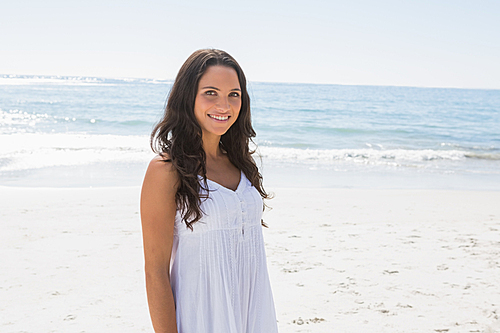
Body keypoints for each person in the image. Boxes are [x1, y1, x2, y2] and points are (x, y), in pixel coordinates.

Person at [140, 49, 279, 333]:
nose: (224, 105)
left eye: (234, 94)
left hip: (253, 314)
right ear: (188, 96)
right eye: (211, 93)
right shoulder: (166, 170)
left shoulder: (241, 163)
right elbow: (155, 272)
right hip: (201, 318)